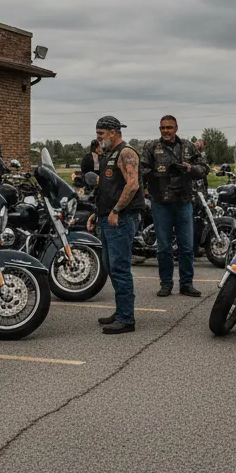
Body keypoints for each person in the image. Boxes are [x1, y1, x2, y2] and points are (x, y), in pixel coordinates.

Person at [140, 115, 209, 297]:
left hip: (183, 201)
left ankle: (187, 284)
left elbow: (204, 168)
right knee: (164, 247)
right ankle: (166, 284)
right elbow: (141, 170)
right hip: (161, 202)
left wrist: (188, 168)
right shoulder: (151, 147)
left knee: (187, 247)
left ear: (176, 128)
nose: (166, 131)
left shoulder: (187, 146)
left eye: (169, 128)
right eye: (163, 128)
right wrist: (159, 174)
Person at [88, 116, 143, 334]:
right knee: (111, 266)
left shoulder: (126, 153)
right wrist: (97, 213)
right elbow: (106, 189)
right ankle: (121, 311)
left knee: (120, 268)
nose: (98, 138)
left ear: (113, 132)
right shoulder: (108, 154)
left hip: (122, 217)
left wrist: (116, 210)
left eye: (101, 133)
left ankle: (126, 319)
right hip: (107, 217)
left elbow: (133, 184)